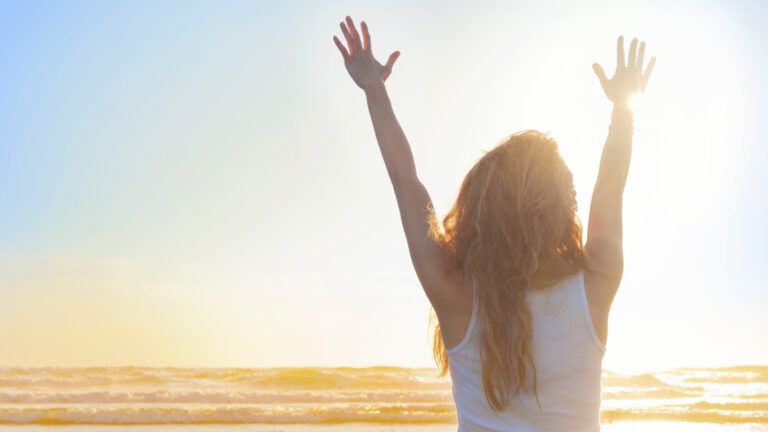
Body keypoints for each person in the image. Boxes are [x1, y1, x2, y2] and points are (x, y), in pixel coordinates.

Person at [333, 16, 655, 431]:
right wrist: (622, 110)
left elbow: (405, 181)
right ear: (558, 208)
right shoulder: (594, 282)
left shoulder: (454, 289)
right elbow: (611, 184)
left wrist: (375, 91)